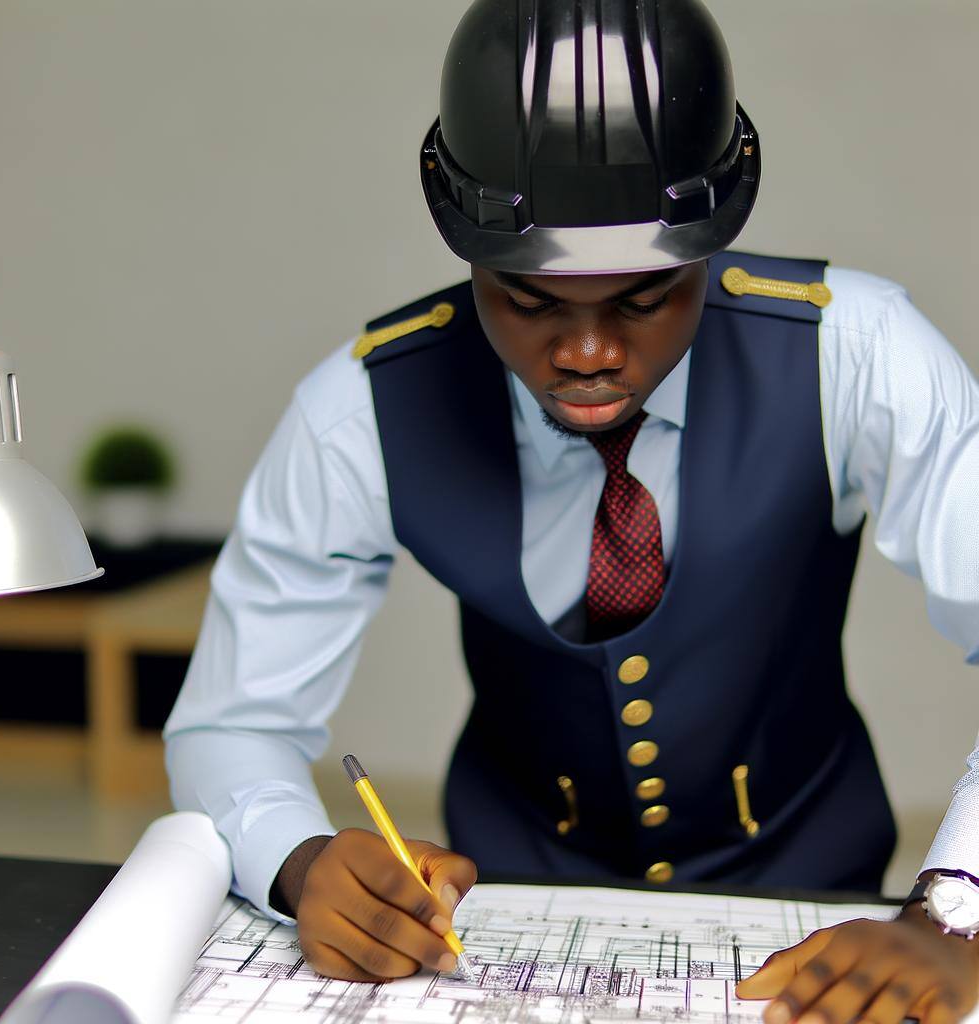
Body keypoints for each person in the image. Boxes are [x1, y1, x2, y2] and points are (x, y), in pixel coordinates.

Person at [164, 1, 979, 1021]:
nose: (588, 352)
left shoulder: (857, 352)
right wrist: (296, 856)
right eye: (530, 297)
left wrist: (954, 910)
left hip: (809, 899)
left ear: (714, 238)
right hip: (502, 931)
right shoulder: (359, 408)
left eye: (642, 298)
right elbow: (230, 720)